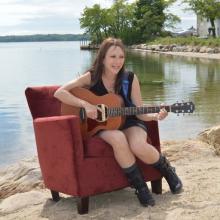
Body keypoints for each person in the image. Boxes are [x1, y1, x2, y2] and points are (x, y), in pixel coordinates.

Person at [54, 37, 182, 207]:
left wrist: (154, 117)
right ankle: (140, 188)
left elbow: (139, 110)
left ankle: (167, 171)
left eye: (121, 57)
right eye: (112, 57)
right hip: (101, 125)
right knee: (117, 138)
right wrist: (85, 104)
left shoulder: (130, 78)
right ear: (103, 58)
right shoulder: (91, 77)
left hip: (130, 121)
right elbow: (59, 93)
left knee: (138, 145)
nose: (117, 62)